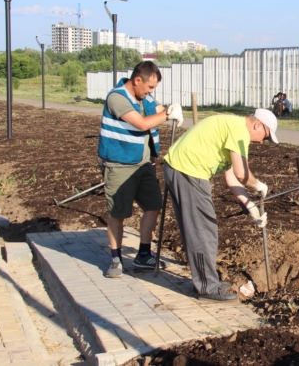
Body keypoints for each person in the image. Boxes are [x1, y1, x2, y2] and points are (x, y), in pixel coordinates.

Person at [162, 109, 277, 301]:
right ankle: (207, 287)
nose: (260, 142)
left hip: (180, 168)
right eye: (264, 137)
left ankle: (207, 281)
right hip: (189, 171)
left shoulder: (233, 127)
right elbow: (242, 174)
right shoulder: (239, 131)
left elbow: (232, 176)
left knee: (199, 229)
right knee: (203, 230)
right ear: (258, 125)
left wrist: (250, 206)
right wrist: (258, 185)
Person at [98, 61, 184, 278]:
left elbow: (157, 110)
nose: (151, 92)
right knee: (118, 213)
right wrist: (167, 115)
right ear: (137, 80)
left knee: (153, 206)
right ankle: (116, 259)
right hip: (119, 165)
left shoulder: (143, 97)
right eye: (149, 87)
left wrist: (170, 110)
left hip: (144, 165)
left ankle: (144, 254)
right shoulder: (116, 98)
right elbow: (142, 124)